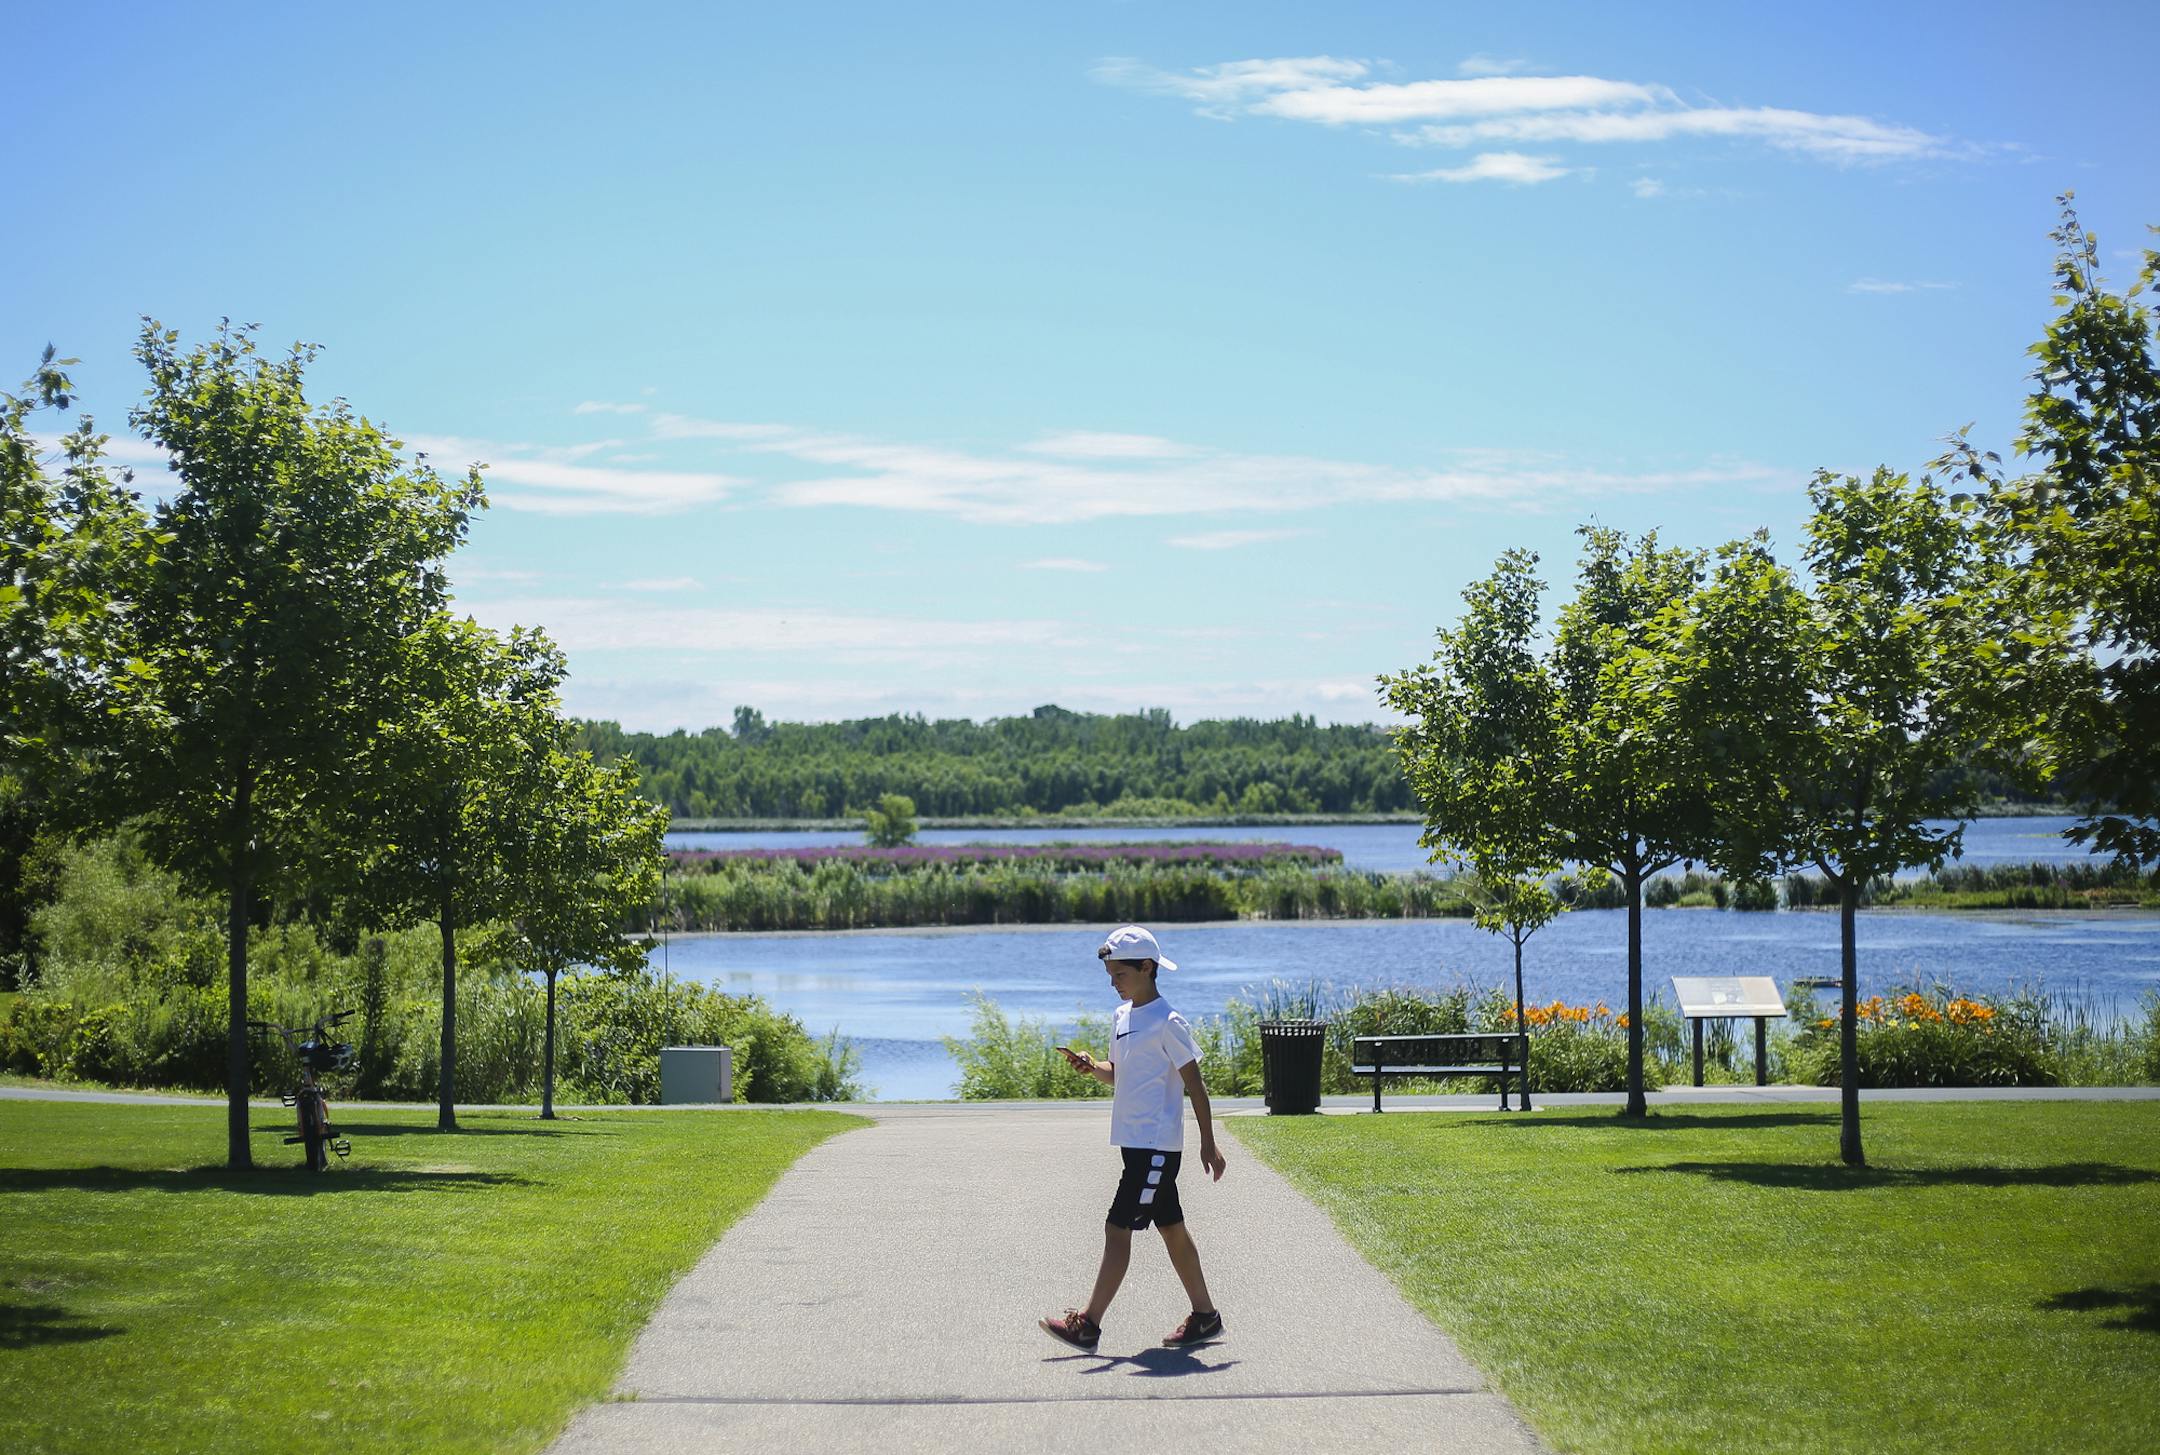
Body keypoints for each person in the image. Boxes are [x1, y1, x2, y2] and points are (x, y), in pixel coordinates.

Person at [1039, 924, 1227, 1354]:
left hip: (1157, 1149)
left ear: (1146, 967)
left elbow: (1195, 1086)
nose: (1113, 983)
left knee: (1117, 1226)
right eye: (1109, 976)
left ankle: (1088, 1325)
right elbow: (1116, 1073)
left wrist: (1207, 1143)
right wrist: (1092, 1067)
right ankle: (1205, 1316)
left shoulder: (1168, 1022)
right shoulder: (1122, 1018)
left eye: (1119, 975)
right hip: (1134, 1146)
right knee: (1172, 1228)